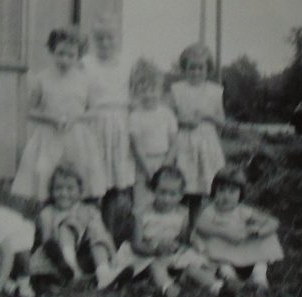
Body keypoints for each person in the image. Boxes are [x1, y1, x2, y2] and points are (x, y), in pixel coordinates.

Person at [11, 26, 106, 208]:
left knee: (80, 176)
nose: (64, 59)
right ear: (52, 51)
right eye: (60, 53)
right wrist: (51, 118)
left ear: (79, 55)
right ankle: (47, 217)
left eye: (71, 55)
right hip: (49, 136)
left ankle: (80, 216)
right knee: (46, 175)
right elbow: (29, 111)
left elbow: (94, 111)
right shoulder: (42, 78)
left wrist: (76, 117)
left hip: (77, 136)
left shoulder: (85, 80)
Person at [115, 166, 229, 297]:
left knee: (192, 266)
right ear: (153, 191)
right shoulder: (142, 214)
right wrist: (155, 250)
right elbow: (136, 245)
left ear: (181, 195)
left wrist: (188, 243)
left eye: (173, 194)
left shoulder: (182, 213)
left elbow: (184, 239)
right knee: (155, 265)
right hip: (148, 254)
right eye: (162, 193)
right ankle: (170, 290)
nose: (167, 199)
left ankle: (218, 287)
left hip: (171, 255)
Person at [32, 164, 132, 289]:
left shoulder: (88, 210)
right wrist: (60, 261)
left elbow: (103, 234)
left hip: (85, 256)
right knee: (66, 227)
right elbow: (47, 242)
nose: (64, 193)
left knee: (96, 232)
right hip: (57, 259)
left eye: (70, 188)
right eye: (58, 188)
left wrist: (113, 256)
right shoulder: (48, 213)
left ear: (80, 191)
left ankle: (104, 274)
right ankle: (71, 270)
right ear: (51, 191)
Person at [82, 15, 135, 245]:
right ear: (93, 40)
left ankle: (110, 235)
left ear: (118, 39)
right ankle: (92, 237)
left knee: (115, 185)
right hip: (94, 124)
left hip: (120, 125)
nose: (105, 43)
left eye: (110, 38)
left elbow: (134, 94)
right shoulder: (85, 63)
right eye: (100, 39)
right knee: (94, 183)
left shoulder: (126, 63)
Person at [192, 166, 284, 291]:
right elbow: (200, 225)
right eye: (222, 190)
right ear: (215, 191)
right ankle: (230, 278)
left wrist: (257, 232)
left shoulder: (242, 210)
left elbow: (273, 222)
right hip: (221, 250)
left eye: (232, 191)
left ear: (240, 193)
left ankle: (259, 278)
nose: (226, 196)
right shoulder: (211, 210)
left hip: (240, 248)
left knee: (263, 252)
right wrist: (223, 232)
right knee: (221, 261)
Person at [169, 42, 226, 226]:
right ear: (184, 69)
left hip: (206, 143)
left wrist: (208, 116)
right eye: (191, 68)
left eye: (201, 68)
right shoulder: (177, 89)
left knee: (200, 190)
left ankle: (194, 229)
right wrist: (183, 121)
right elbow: (167, 118)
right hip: (184, 142)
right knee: (180, 187)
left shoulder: (215, 91)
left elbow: (222, 121)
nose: (196, 72)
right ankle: (174, 226)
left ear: (207, 68)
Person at [128, 58, 178, 214]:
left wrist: (166, 166)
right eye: (143, 91)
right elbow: (136, 146)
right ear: (136, 92)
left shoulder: (167, 114)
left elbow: (174, 143)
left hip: (164, 160)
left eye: (153, 90)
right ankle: (142, 234)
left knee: (164, 199)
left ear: (161, 90)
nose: (148, 95)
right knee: (142, 202)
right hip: (143, 164)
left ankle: (164, 230)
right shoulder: (135, 116)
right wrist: (148, 170)